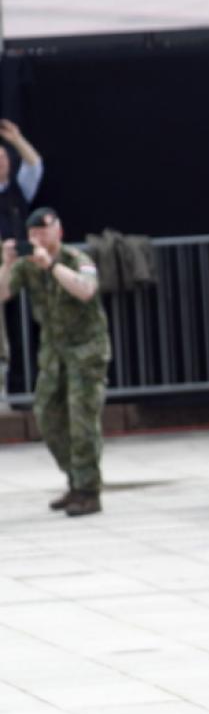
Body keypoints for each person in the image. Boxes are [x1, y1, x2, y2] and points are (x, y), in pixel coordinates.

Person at [2, 209, 109, 517]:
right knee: (47, 417)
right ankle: (76, 480)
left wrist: (51, 267)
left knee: (82, 421)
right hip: (54, 353)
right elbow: (2, 293)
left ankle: (89, 491)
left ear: (58, 232)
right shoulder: (26, 265)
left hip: (86, 350)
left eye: (44, 231)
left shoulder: (76, 259)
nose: (38, 238)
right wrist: (8, 264)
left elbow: (86, 290)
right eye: (33, 233)